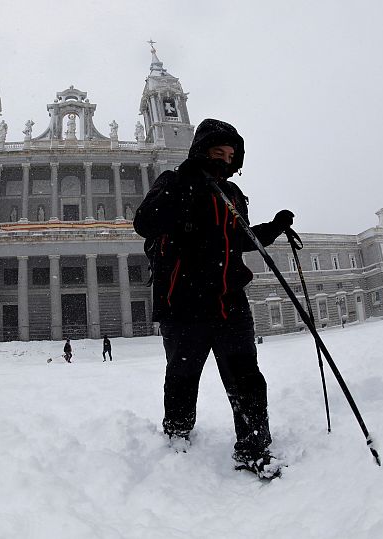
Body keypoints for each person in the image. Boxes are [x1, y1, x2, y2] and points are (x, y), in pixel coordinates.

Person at [133, 118, 294, 479]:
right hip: (184, 303)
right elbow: (145, 222)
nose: (224, 160)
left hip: (230, 302)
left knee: (246, 378)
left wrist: (276, 227)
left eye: (231, 155)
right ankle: (177, 429)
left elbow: (242, 240)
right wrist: (188, 182)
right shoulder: (174, 182)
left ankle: (253, 446)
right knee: (183, 374)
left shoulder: (232, 196)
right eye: (217, 152)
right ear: (201, 152)